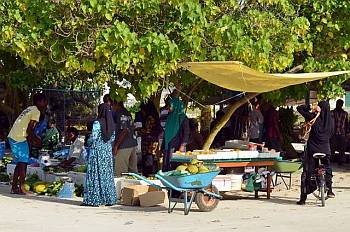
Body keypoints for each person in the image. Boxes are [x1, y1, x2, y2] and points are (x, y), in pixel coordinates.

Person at [8, 93, 48, 194]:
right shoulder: (36, 112)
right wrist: (36, 140)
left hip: (14, 135)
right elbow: (30, 129)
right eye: (44, 101)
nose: (46, 103)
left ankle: (14, 188)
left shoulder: (30, 108)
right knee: (23, 164)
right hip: (19, 137)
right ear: (39, 102)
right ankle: (22, 188)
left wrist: (31, 140)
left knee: (20, 163)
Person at [297, 101, 335, 205]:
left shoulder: (313, 117)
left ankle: (303, 199)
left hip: (313, 148)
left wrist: (309, 107)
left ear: (320, 108)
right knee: (327, 167)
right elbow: (332, 133)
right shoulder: (331, 120)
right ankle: (330, 189)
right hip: (326, 149)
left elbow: (299, 109)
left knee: (307, 171)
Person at [83, 103, 117, 206]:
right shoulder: (112, 124)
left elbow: (94, 137)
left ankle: (94, 199)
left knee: (95, 174)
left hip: (97, 152)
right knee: (106, 175)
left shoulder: (97, 123)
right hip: (107, 152)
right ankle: (109, 199)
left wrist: (87, 142)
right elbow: (112, 139)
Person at [162, 97, 190, 171]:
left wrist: (182, 145)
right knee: (167, 165)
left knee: (176, 166)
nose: (168, 108)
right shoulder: (170, 116)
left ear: (175, 105)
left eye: (170, 106)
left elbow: (186, 133)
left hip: (178, 146)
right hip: (168, 146)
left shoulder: (183, 118)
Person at [112, 101, 138, 177]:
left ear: (116, 104)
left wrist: (116, 146)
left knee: (121, 174)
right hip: (132, 144)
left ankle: (122, 189)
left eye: (112, 105)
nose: (112, 108)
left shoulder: (120, 114)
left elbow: (124, 130)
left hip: (124, 146)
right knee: (133, 173)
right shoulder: (127, 112)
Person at [137, 102, 163, 177]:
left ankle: (148, 177)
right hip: (154, 143)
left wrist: (138, 130)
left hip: (149, 144)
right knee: (152, 161)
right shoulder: (155, 116)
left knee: (148, 163)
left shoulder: (150, 118)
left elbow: (147, 130)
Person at [331, 99, 349, 165]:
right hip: (333, 133)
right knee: (332, 147)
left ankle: (340, 161)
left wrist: (347, 133)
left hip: (342, 133)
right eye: (337, 103)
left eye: (340, 104)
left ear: (342, 105)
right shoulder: (331, 113)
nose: (338, 105)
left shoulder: (345, 113)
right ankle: (331, 160)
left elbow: (347, 124)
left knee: (342, 148)